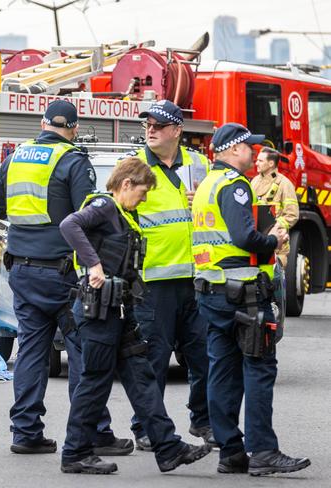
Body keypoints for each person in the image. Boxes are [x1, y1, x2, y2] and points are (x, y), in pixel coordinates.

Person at [0, 100, 132, 458]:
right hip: (63, 274)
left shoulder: (16, 157)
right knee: (83, 350)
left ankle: (26, 432)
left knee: (32, 351)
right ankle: (94, 431)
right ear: (74, 128)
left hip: (22, 269)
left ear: (43, 122)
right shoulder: (73, 160)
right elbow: (89, 216)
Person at [59, 157, 211, 474]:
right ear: (126, 184)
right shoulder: (103, 206)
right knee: (95, 382)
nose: (143, 199)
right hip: (99, 310)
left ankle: (168, 448)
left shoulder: (124, 214)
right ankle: (75, 453)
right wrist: (94, 265)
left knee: (141, 380)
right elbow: (69, 225)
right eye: (141, 193)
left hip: (120, 309)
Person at [192, 123, 311, 476]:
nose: (253, 154)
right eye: (249, 147)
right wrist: (273, 240)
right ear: (232, 150)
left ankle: (230, 451)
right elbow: (245, 237)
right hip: (241, 293)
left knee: (222, 370)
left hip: (212, 291)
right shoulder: (235, 185)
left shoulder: (206, 186)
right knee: (259, 368)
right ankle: (263, 451)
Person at [124, 100, 213, 450]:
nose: (151, 129)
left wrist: (201, 202)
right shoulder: (134, 166)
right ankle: (146, 427)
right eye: (148, 124)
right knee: (152, 359)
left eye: (159, 125)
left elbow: (216, 208)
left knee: (204, 355)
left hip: (196, 278)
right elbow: (119, 213)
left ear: (177, 130)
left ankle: (203, 421)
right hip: (153, 281)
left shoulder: (198, 163)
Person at [251, 147, 299, 267]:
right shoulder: (254, 182)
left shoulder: (284, 184)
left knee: (274, 282)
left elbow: (292, 214)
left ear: (271, 163)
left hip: (277, 248)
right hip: (256, 244)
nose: (256, 163)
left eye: (260, 161)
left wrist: (276, 229)